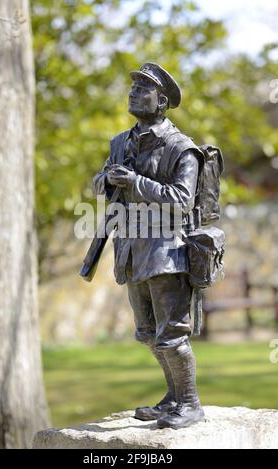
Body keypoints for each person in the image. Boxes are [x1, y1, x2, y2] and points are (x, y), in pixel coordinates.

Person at [92, 63, 204, 429]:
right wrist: (107, 179)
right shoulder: (120, 143)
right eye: (133, 87)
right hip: (131, 250)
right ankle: (173, 398)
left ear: (162, 102)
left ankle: (190, 404)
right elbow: (99, 184)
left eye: (144, 89)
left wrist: (136, 182)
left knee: (171, 334)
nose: (134, 93)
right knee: (147, 333)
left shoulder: (181, 148)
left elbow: (182, 199)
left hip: (168, 252)